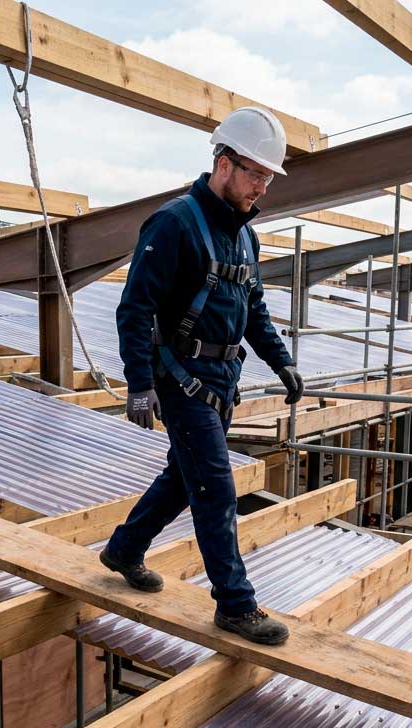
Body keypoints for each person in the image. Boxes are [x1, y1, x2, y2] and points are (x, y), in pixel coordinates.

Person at [98, 107, 305, 646]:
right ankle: (235, 605)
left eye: (267, 177)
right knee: (215, 487)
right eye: (254, 173)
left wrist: (280, 360)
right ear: (222, 162)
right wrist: (139, 383)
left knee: (182, 480)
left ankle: (123, 549)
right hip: (180, 378)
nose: (261, 186)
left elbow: (253, 309)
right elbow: (134, 308)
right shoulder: (175, 223)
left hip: (221, 378)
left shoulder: (244, 238)